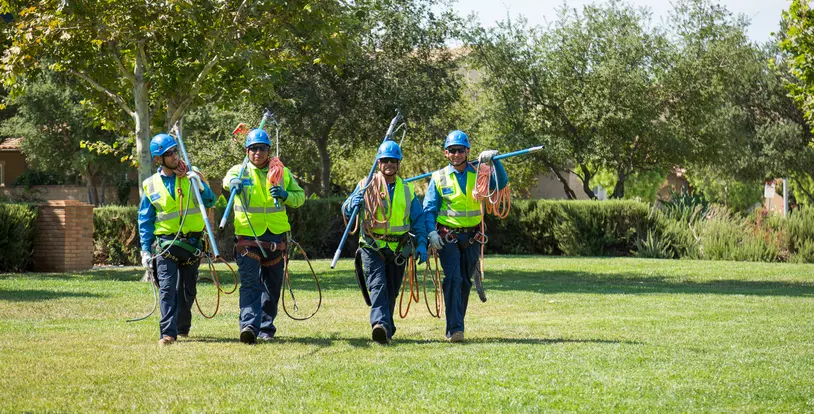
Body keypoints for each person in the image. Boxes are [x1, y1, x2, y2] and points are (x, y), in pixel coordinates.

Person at [422, 130, 507, 343]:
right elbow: (429, 208)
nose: (457, 154)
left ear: (468, 151)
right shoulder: (439, 177)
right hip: (447, 237)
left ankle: (457, 325)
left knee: (465, 283)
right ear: (446, 153)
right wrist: (431, 232)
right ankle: (455, 329)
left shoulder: (479, 173)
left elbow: (500, 184)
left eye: (460, 150)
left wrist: (495, 162)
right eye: (452, 150)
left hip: (472, 238)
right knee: (453, 279)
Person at [223, 129, 305, 344]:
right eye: (253, 149)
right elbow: (227, 181)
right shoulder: (239, 171)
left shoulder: (282, 172)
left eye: (262, 148)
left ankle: (266, 328)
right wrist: (233, 184)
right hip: (248, 237)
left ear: (269, 150)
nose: (258, 152)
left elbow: (300, 198)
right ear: (247, 151)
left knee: (272, 285)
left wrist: (286, 195)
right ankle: (249, 326)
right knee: (250, 283)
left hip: (275, 238)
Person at [342, 141, 428, 344]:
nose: (389, 164)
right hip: (372, 246)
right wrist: (352, 204)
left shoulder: (407, 190)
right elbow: (346, 208)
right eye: (385, 160)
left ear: (398, 163)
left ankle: (386, 328)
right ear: (379, 162)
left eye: (393, 160)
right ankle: (379, 325)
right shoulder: (365, 185)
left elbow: (418, 220)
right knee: (378, 285)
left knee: (391, 290)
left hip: (399, 249)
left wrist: (422, 243)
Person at [138, 133, 216, 346]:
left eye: (175, 152)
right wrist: (145, 250)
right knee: (167, 288)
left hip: (192, 245)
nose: (174, 157)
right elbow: (145, 219)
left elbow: (211, 200)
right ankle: (167, 333)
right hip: (166, 245)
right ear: (158, 159)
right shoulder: (151, 185)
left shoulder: (192, 175)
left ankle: (182, 327)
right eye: (168, 154)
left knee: (187, 290)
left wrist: (199, 183)